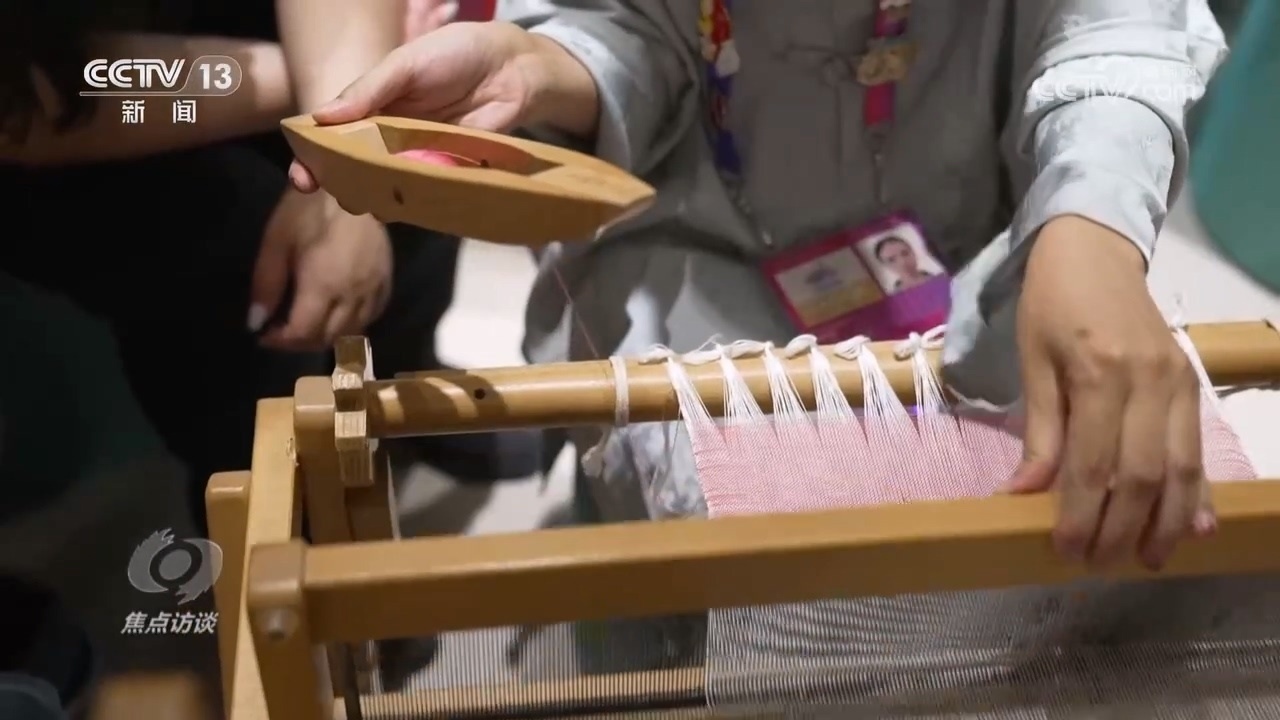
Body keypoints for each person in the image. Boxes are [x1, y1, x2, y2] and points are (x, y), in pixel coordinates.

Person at [289, 1, 1227, 572]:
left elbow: (1111, 26)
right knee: (708, 553)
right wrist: (538, 65)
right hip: (694, 245)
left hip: (962, 251)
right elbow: (631, 26)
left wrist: (1092, 230)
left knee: (1083, 492)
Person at [0, 0, 540, 531]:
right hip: (52, 103)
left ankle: (398, 400)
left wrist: (351, 150)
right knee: (250, 254)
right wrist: (349, 97)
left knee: (413, 171)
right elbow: (34, 98)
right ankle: (283, 522)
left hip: (221, 49)